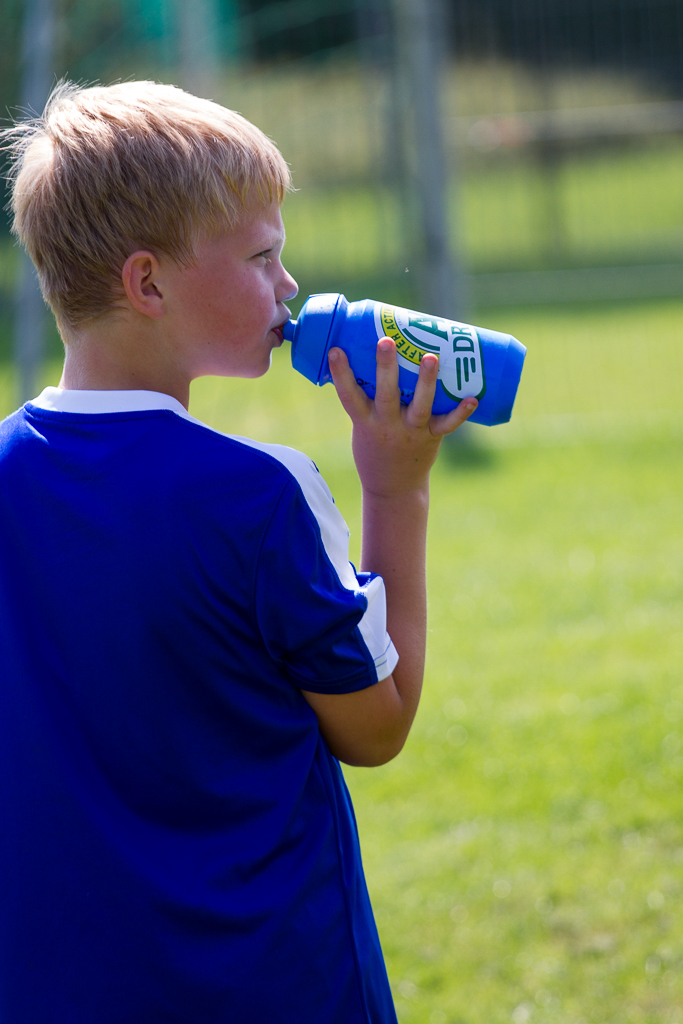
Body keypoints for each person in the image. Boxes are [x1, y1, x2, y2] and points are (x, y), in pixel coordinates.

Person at [0, 81, 476, 1024]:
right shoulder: (259, 494)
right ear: (148, 283)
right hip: (270, 981)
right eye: (263, 257)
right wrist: (396, 485)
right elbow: (374, 729)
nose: (289, 286)